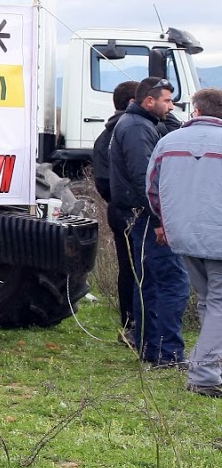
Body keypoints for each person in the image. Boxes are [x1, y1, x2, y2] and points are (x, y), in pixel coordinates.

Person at [109, 76, 189, 367]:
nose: (171, 106)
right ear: (149, 101)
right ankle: (167, 353)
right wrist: (159, 219)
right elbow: (147, 178)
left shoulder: (141, 125)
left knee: (151, 283)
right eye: (167, 100)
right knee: (172, 282)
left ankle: (152, 349)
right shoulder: (136, 129)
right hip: (146, 217)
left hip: (141, 215)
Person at [147, 87, 222, 397]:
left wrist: (168, 222)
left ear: (197, 111)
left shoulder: (167, 142)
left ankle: (210, 366)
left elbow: (152, 188)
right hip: (217, 236)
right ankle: (204, 374)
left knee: (209, 301)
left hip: (183, 236)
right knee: (217, 304)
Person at [93, 80, 141, 337]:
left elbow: (101, 181)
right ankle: (136, 326)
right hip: (131, 211)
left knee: (128, 268)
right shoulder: (131, 132)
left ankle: (131, 324)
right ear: (134, 102)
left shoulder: (105, 135)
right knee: (138, 269)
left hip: (118, 208)